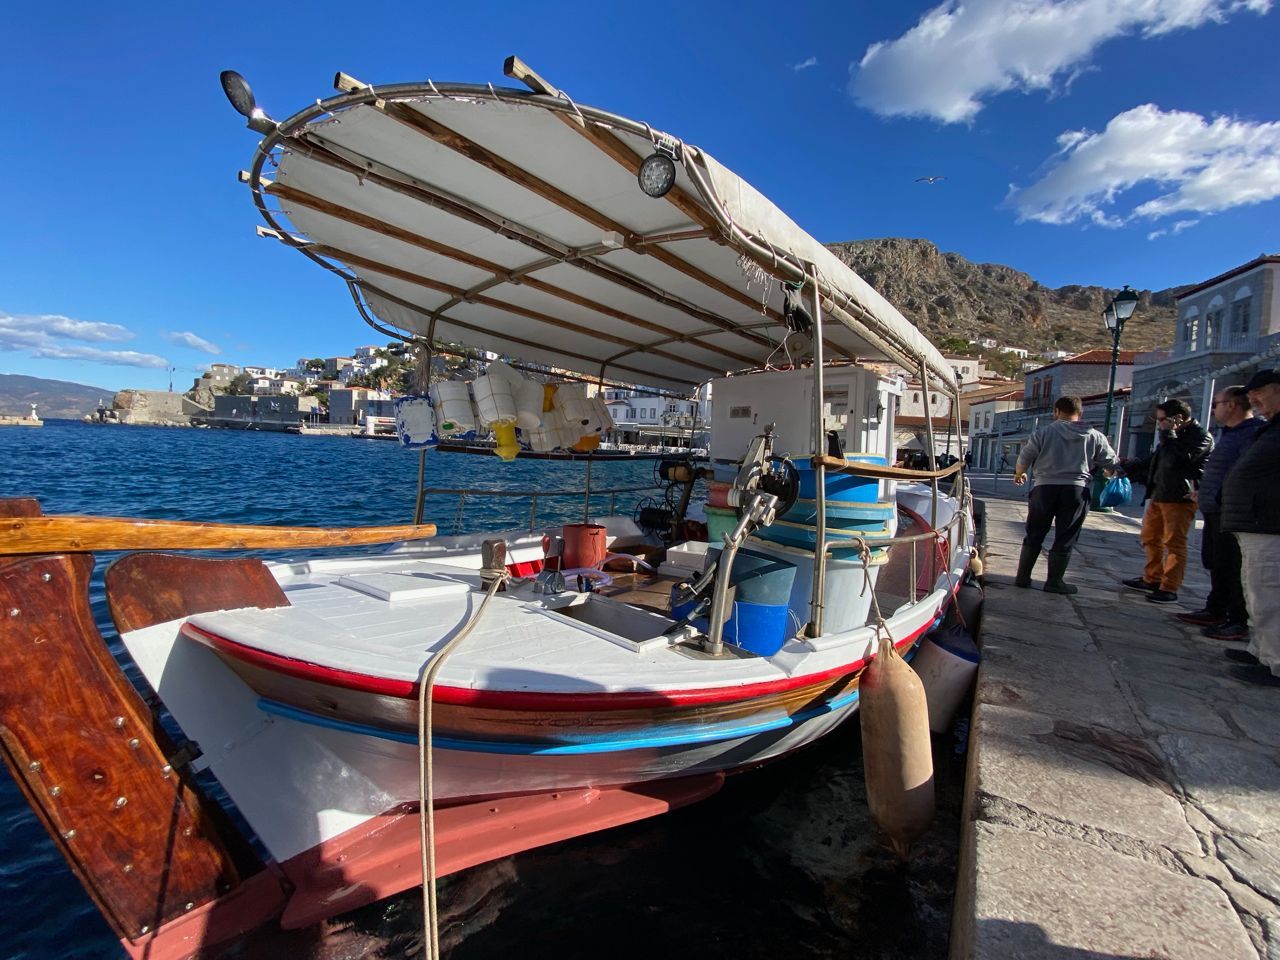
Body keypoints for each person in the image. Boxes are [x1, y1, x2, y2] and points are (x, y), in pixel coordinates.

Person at [1176, 386, 1263, 638]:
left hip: (1234, 512)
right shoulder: (1232, 434)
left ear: (1232, 405)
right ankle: (1216, 609)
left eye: (1216, 404)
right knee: (1217, 563)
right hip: (1217, 509)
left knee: (1233, 566)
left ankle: (1237, 619)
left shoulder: (1252, 434)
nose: (1213, 409)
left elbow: (1244, 474)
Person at [1013, 395, 1119, 594]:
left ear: (1056, 411)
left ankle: (1023, 577)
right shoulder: (1094, 435)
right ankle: (1054, 582)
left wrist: (1020, 473)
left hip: (1044, 488)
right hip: (1076, 490)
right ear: (1080, 413)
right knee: (1066, 535)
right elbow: (1111, 463)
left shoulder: (1043, 432)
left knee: (1035, 532)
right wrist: (1108, 472)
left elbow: (1024, 457)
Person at [1219, 369, 1280, 687]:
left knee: (1270, 594)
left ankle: (1276, 664)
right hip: (1256, 523)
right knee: (1256, 593)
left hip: (1270, 523)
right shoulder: (1270, 428)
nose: (1254, 399)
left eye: (1260, 392)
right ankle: (1262, 651)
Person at [1122, 399, 1213, 604]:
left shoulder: (1200, 436)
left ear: (1178, 418)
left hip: (1179, 497)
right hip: (1159, 494)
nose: (1159, 423)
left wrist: (1168, 434)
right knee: (1150, 537)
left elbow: (1178, 461)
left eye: (1162, 419)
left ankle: (1169, 587)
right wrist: (1129, 468)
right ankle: (1152, 578)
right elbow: (1157, 460)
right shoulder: (1171, 436)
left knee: (1174, 543)